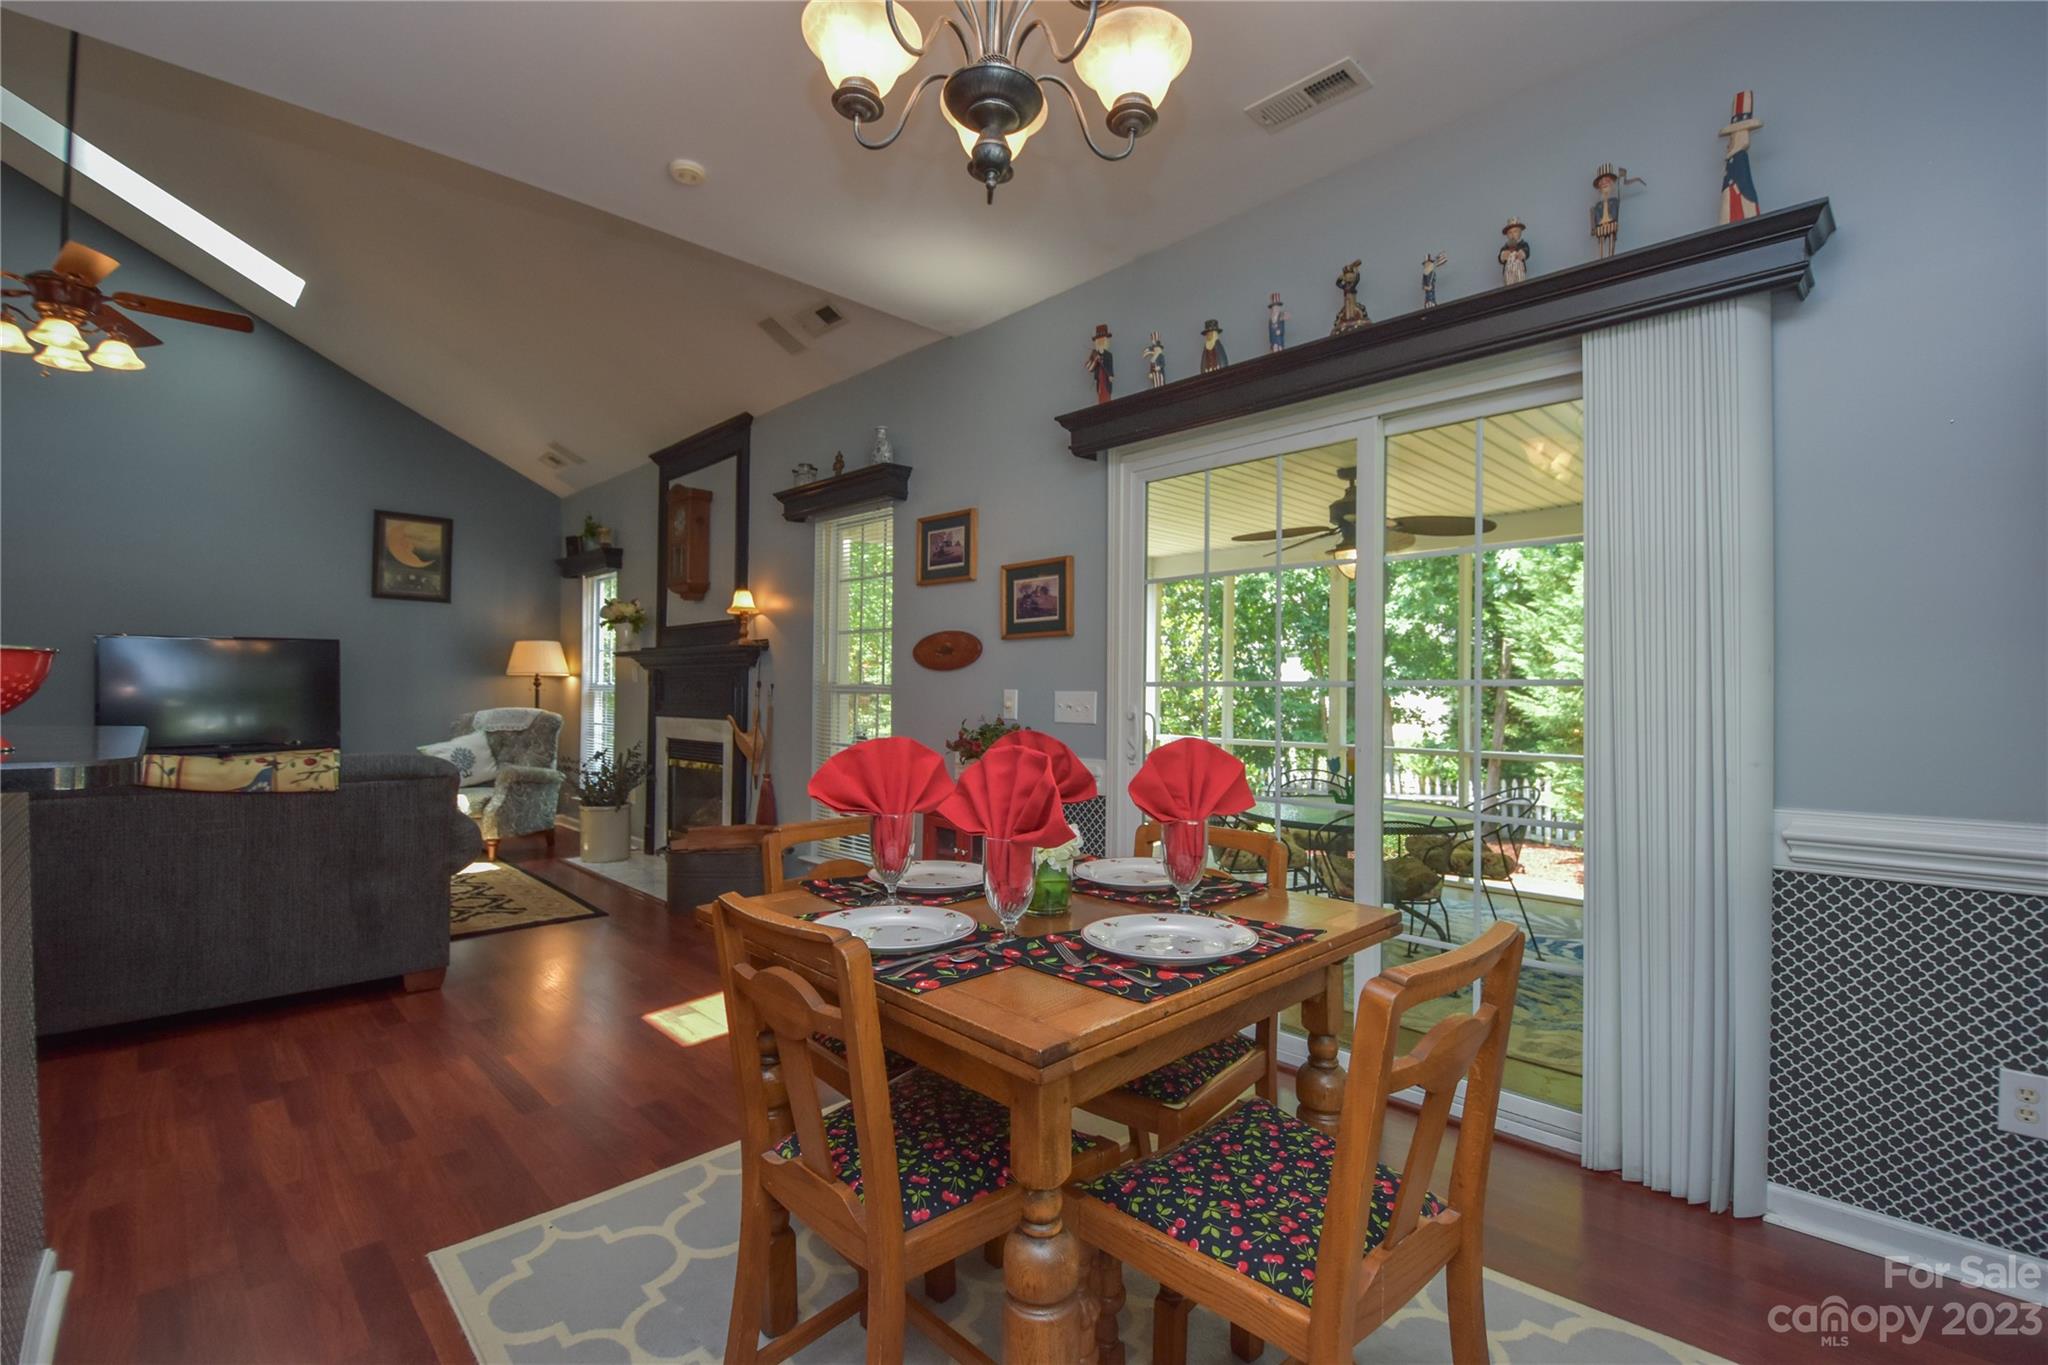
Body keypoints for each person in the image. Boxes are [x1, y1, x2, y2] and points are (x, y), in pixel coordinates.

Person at [1719, 90, 1763, 224]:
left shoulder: (1739, 159)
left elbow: (1743, 187)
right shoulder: (1734, 160)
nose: (1728, 145)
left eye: (1733, 137)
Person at [1084, 323, 1114, 403]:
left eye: (1102, 340)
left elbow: (1110, 366)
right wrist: (1095, 378)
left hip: (1107, 378)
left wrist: (1111, 375)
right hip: (1099, 379)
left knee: (1107, 394)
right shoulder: (1094, 354)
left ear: (1106, 341)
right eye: (1099, 341)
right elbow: (1092, 368)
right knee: (1100, 393)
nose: (1101, 342)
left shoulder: (1109, 355)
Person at [1499, 218, 1530, 285]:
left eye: (1515, 231)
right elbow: (1500, 258)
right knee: (1509, 283)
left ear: (1520, 233)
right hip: (1508, 271)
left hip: (1519, 268)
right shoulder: (1505, 247)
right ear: (1507, 235)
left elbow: (1526, 251)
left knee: (1520, 282)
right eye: (1510, 233)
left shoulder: (1523, 244)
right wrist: (1503, 255)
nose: (1512, 235)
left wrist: (1523, 253)